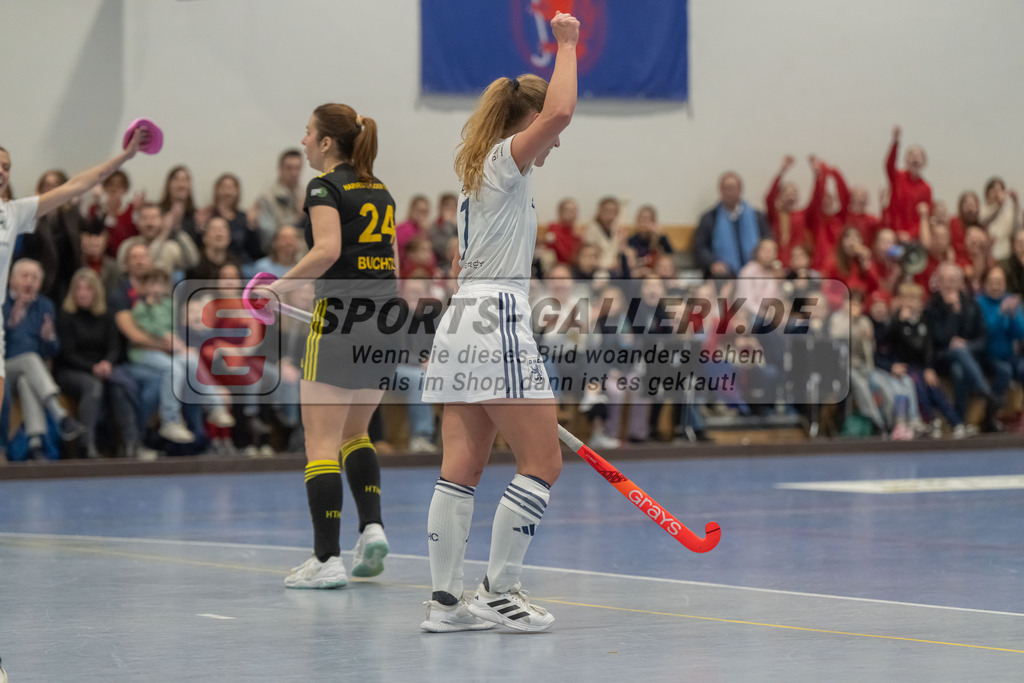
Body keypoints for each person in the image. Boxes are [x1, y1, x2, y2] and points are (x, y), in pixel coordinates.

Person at [419, 10, 579, 634]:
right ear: (526, 124)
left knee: (460, 467)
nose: (557, 140)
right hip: (495, 319)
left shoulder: (481, 174)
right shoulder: (505, 162)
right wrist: (567, 44)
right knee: (542, 462)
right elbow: (560, 112)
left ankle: (445, 602)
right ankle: (500, 591)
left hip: (464, 317)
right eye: (544, 130)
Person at [254, 102, 397, 590]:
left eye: (308, 132)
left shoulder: (323, 186)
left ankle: (326, 558)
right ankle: (372, 527)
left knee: (320, 445)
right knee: (356, 433)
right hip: (383, 323)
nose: (303, 140)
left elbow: (327, 251)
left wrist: (277, 287)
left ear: (327, 142)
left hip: (339, 323)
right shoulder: (379, 188)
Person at [0, 129, 145, 410]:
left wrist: (125, 156)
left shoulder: (13, 213)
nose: (1, 171)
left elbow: (76, 186)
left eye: (6, 166)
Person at [56, 268, 152, 459]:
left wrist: (107, 363)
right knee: (93, 386)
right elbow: (67, 354)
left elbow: (114, 347)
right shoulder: (66, 315)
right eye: (79, 289)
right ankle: (87, 444)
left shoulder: (107, 314)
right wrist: (93, 368)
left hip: (104, 368)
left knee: (118, 385)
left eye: (88, 289)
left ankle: (131, 443)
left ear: (96, 291)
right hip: (72, 371)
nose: (83, 293)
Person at [4, 259, 86, 459]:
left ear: (40, 284)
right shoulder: (2, 303)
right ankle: (60, 414)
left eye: (34, 278)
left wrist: (49, 338)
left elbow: (53, 350)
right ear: (11, 279)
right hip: (4, 367)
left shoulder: (45, 305)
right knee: (30, 359)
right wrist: (12, 321)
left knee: (27, 379)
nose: (29, 282)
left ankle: (35, 444)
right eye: (24, 276)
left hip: (32, 371)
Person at [694, 171, 771, 278]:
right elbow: (701, 247)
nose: (729, 192)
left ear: (740, 190)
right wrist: (713, 262)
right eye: (726, 188)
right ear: (720, 191)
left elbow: (767, 240)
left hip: (755, 271)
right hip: (724, 273)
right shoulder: (710, 218)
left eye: (732, 188)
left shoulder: (757, 217)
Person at [885, 125, 932, 240]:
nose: (915, 158)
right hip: (892, 233)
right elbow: (889, 165)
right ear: (906, 161)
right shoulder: (897, 177)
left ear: (924, 163)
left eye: (919, 157)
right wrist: (895, 142)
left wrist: (909, 234)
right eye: (911, 155)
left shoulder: (926, 188)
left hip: (913, 238)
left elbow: (926, 217)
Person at [254, 149, 305, 251]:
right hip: (276, 254)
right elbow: (267, 235)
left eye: (297, 168)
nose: (294, 173)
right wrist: (299, 218)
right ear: (280, 168)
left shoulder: (306, 194)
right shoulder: (267, 196)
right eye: (289, 168)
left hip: (303, 253)